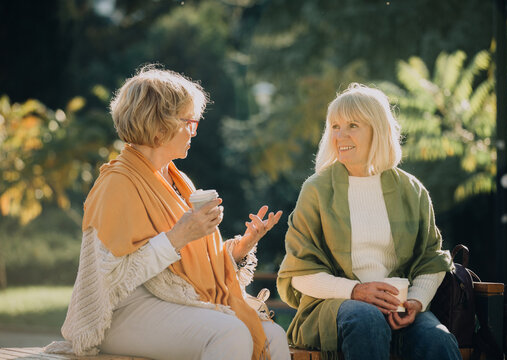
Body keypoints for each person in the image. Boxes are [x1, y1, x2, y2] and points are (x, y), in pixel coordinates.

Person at [45, 66, 290, 360]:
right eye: (190, 122)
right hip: (121, 312)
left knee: (272, 336)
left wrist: (243, 246)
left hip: (173, 303)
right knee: (230, 332)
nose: (194, 131)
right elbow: (112, 279)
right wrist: (178, 236)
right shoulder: (116, 183)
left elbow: (193, 265)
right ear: (160, 125)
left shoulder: (179, 181)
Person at [277, 83, 461, 360]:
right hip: (336, 305)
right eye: (335, 126)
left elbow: (431, 260)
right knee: (366, 320)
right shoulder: (317, 189)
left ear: (378, 129)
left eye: (353, 125)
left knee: (439, 340)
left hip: (399, 306)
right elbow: (299, 273)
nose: (341, 135)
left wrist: (416, 300)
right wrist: (355, 291)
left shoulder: (411, 190)